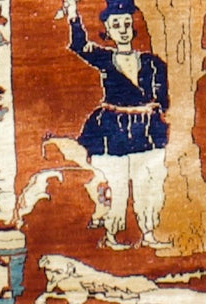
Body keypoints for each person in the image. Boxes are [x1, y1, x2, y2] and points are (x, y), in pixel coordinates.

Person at [63, 0, 170, 251]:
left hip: (146, 129)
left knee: (148, 181)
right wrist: (72, 14)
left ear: (133, 27)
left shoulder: (151, 62)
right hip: (113, 129)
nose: (123, 30)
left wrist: (156, 109)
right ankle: (112, 234)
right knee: (116, 182)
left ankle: (149, 232)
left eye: (126, 24)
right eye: (116, 25)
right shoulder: (105, 58)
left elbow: (163, 96)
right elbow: (79, 45)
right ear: (108, 31)